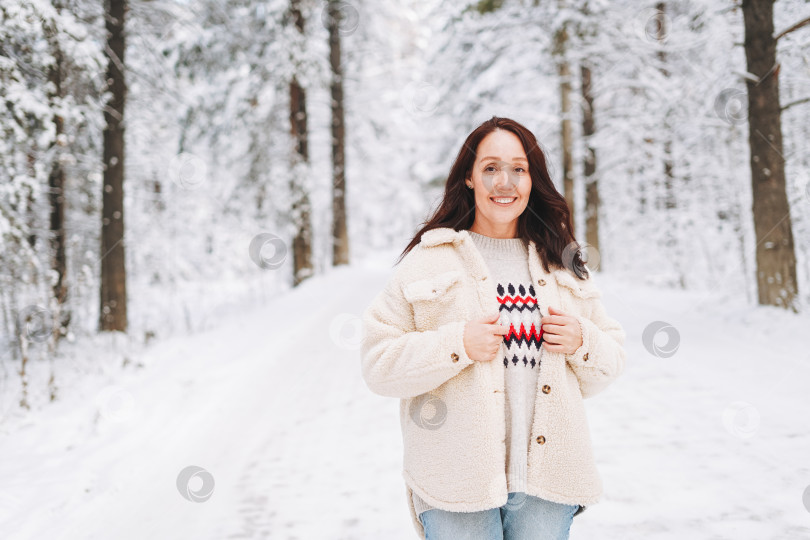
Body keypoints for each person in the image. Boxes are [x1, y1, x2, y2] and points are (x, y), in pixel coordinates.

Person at [360, 116, 627, 540]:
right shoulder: (429, 261)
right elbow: (378, 365)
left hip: (547, 484)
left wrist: (583, 341)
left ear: (532, 179)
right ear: (469, 178)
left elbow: (609, 364)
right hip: (454, 482)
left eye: (518, 169)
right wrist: (456, 344)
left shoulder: (564, 262)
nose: (505, 182)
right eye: (490, 168)